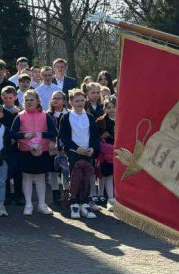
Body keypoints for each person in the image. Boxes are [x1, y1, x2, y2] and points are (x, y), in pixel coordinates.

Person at [10, 90, 56, 216]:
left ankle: (42, 204)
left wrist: (42, 134)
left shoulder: (45, 115)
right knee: (27, 177)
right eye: (27, 100)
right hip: (25, 151)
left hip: (43, 150)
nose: (29, 102)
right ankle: (28, 204)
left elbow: (54, 132)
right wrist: (24, 135)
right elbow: (12, 133)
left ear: (38, 101)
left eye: (32, 100)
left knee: (41, 177)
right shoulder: (20, 116)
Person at [58, 89, 100, 220]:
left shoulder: (90, 117)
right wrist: (76, 148)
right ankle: (74, 203)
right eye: (76, 101)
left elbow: (95, 137)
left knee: (86, 179)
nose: (80, 103)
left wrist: (93, 148)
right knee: (75, 178)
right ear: (70, 102)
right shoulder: (66, 117)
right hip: (73, 153)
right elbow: (63, 137)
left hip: (88, 153)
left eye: (82, 100)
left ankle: (85, 203)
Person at [95, 97, 116, 207]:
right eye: (108, 107)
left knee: (117, 176)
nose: (112, 110)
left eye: (114, 107)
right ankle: (111, 200)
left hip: (119, 152)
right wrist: (101, 136)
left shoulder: (123, 119)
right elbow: (95, 135)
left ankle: (118, 198)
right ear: (104, 109)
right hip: (107, 153)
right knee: (108, 175)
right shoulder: (101, 121)